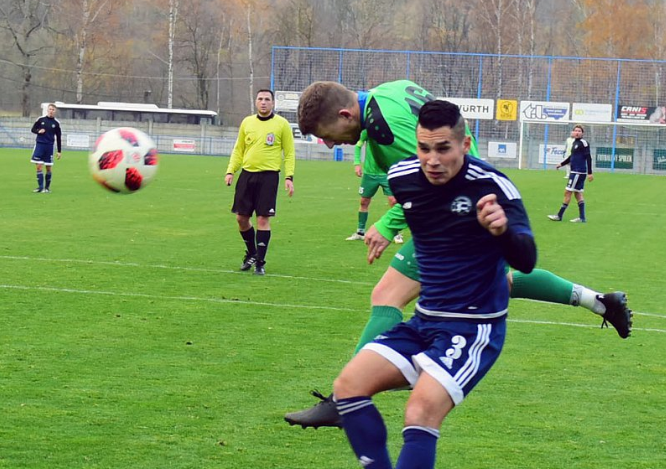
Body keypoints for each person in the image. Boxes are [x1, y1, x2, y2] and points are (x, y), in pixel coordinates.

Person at [286, 80, 632, 430]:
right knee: (502, 282)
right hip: (470, 204)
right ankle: (600, 302)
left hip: (460, 210)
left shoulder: (382, 125)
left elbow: (431, 177)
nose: (330, 144)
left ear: (345, 114)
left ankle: (344, 400)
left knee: (387, 294)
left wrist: (388, 224)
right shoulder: (386, 93)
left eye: (326, 135)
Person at [331, 100, 537, 469]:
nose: (432, 159)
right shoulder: (404, 176)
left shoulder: (492, 186)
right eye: (424, 148)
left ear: (465, 144)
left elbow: (526, 260)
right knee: (348, 386)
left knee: (421, 408)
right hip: (425, 320)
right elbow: (409, 209)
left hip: (474, 326)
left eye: (443, 148)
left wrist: (502, 231)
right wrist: (381, 228)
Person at [225, 89, 295, 275]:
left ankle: (260, 264)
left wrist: (289, 177)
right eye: (260, 99)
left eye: (267, 99)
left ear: (273, 103)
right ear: (256, 102)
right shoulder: (247, 122)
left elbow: (289, 153)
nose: (263, 102)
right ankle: (252, 253)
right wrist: (231, 170)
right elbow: (238, 149)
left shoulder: (282, 124)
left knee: (263, 219)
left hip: (269, 177)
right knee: (241, 218)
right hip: (247, 175)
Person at [347, 130, 403, 244]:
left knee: (393, 201)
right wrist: (357, 163)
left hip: (386, 173)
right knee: (364, 202)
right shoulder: (368, 130)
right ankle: (360, 232)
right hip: (369, 173)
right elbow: (358, 145)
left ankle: (396, 233)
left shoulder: (391, 130)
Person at [548, 125, 593, 223]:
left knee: (568, 192)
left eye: (579, 131)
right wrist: (561, 164)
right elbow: (571, 157)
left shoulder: (584, 143)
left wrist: (590, 173)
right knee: (578, 194)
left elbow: (588, 157)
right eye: (575, 130)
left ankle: (559, 216)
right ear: (572, 132)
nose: (577, 132)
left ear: (582, 133)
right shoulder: (574, 143)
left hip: (578, 172)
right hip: (576, 171)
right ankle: (582, 218)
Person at [30, 103, 62, 193]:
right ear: (47, 110)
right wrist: (38, 131)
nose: (51, 111)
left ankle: (47, 188)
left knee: (48, 168)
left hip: (49, 147)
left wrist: (59, 151)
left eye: (53, 110)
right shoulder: (40, 119)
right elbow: (33, 129)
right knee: (39, 166)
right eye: (50, 109)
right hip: (40, 145)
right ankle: (40, 188)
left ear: (55, 111)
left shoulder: (56, 123)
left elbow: (58, 137)